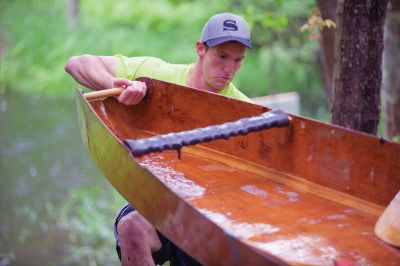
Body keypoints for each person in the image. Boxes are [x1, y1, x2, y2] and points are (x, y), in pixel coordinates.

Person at [65, 12, 252, 266]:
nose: (229, 70)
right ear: (201, 49)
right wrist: (112, 85)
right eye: (221, 57)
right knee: (131, 227)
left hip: (212, 214)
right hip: (162, 202)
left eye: (237, 60)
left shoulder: (244, 109)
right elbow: (77, 64)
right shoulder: (157, 76)